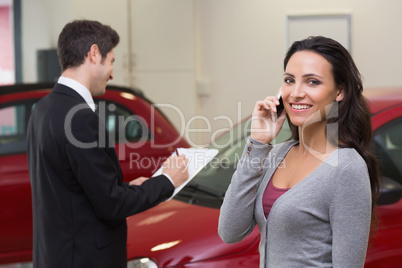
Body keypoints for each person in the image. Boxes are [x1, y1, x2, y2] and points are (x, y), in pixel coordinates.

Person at [27, 20, 189, 268]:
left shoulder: (44, 108)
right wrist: (167, 181)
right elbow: (111, 205)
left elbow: (76, 189)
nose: (112, 73)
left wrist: (126, 188)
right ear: (93, 54)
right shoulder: (80, 118)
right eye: (111, 61)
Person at [218, 36, 380, 267]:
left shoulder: (347, 168)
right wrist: (257, 142)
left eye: (312, 82)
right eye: (289, 80)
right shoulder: (276, 154)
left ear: (339, 92)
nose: (296, 92)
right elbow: (230, 231)